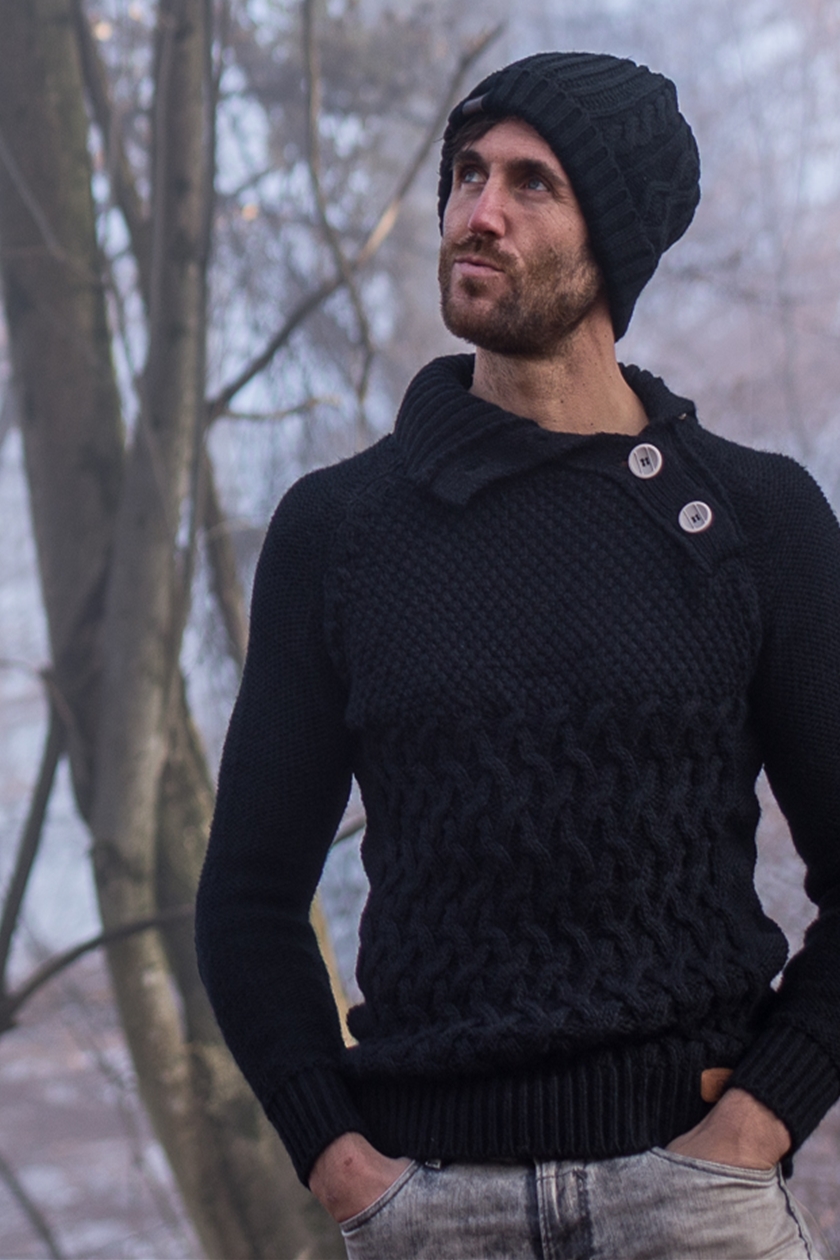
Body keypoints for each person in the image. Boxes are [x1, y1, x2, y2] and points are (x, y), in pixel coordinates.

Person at [195, 52, 839, 1258]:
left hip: (696, 1202)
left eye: (532, 183)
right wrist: (343, 1165)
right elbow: (247, 899)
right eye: (467, 173)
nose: (477, 212)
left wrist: (762, 1120)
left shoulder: (757, 520)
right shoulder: (340, 532)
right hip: (435, 1209)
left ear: (617, 238)